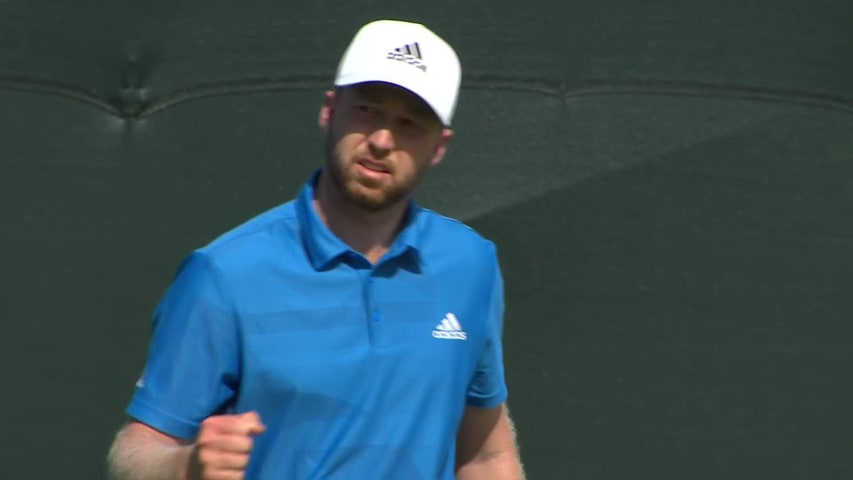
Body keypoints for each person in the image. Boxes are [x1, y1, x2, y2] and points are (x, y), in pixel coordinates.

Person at [107, 18, 525, 480]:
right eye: (367, 110)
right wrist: (186, 465)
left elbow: (485, 456)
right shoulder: (225, 274)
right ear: (330, 110)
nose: (383, 140)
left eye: (409, 124)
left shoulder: (470, 265)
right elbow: (135, 453)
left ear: (439, 147)